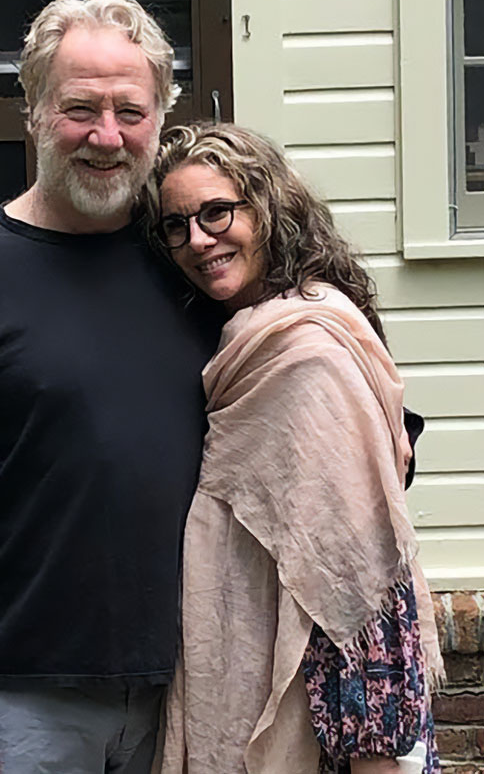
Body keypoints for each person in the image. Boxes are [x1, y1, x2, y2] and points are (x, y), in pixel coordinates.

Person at [0, 0, 219, 774]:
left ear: (160, 118)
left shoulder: (194, 261)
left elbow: (304, 336)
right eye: (80, 109)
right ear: (33, 111)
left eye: (130, 111)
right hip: (21, 703)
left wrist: (375, 427)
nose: (107, 136)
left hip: (191, 691)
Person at [149, 121, 444, 774]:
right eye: (176, 224)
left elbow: (354, 574)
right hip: (246, 679)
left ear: (267, 207)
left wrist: (373, 752)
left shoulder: (307, 354)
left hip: (325, 733)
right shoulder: (234, 335)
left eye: (217, 212)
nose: (198, 239)